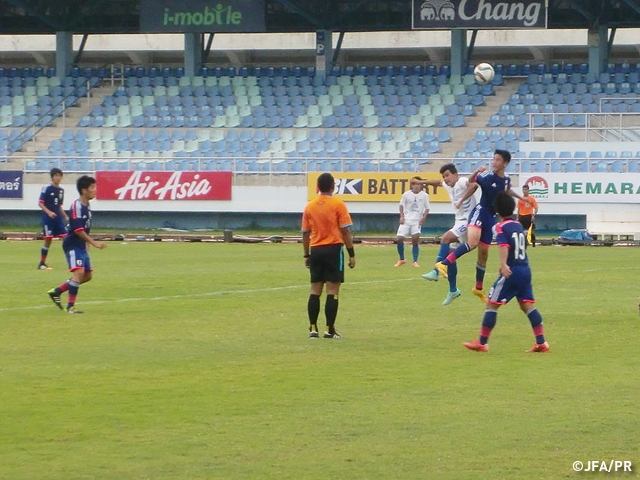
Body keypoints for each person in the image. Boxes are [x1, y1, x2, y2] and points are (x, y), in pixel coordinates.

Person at [463, 192, 549, 353]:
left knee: (491, 304)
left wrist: (503, 264)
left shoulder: (500, 227)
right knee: (527, 306)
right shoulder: (518, 226)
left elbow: (504, 245)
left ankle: (482, 342)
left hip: (512, 271)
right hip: (525, 268)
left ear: (497, 211)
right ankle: (541, 342)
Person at [434, 150, 522, 303]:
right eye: (493, 159)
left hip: (491, 218)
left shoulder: (506, 180)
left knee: (483, 255)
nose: (494, 162)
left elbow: (506, 189)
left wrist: (521, 198)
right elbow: (471, 181)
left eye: (497, 160)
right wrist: (476, 172)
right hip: (480, 212)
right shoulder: (487, 176)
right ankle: (443, 264)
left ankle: (478, 288)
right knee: (473, 242)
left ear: (505, 163)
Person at [301, 172, 356, 339]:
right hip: (333, 249)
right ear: (333, 186)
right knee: (332, 290)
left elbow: (305, 233)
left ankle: (312, 328)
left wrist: (306, 255)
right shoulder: (338, 205)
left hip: (316, 250)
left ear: (318, 187)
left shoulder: (309, 206)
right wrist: (351, 253)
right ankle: (329, 329)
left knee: (315, 290)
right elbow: (345, 231)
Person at [47, 175, 107, 314]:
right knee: (79, 273)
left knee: (87, 276)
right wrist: (94, 242)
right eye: (92, 187)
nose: (95, 190)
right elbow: (78, 230)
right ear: (84, 190)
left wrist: (87, 243)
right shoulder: (77, 206)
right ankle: (70, 307)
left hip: (80, 244)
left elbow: (85, 228)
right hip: (72, 244)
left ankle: (56, 291)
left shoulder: (87, 205)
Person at [420, 164, 477, 305]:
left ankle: (436, 270)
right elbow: (437, 182)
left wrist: (462, 200)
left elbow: (474, 185)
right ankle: (453, 290)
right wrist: (422, 182)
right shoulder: (448, 185)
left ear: (455, 174)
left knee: (445, 238)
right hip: (459, 222)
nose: (445, 179)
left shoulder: (462, 181)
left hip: (469, 220)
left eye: (447, 175)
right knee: (451, 256)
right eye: (444, 176)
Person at [394, 176, 430, 268]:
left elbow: (427, 208)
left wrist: (424, 218)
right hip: (406, 220)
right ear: (412, 185)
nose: (416, 186)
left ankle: (415, 261)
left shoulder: (424, 195)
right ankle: (402, 259)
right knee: (399, 239)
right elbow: (401, 205)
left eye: (418, 184)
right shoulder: (406, 194)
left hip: (416, 221)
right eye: (414, 184)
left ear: (421, 185)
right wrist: (401, 216)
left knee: (415, 240)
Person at [38, 167, 69, 270]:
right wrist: (49, 212)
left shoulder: (61, 191)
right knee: (48, 240)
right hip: (48, 219)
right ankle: (42, 263)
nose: (58, 178)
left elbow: (59, 205)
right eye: (56, 175)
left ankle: (71, 262)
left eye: (60, 176)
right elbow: (40, 203)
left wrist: (65, 216)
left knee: (66, 238)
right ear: (52, 177)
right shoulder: (46, 188)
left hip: (58, 219)